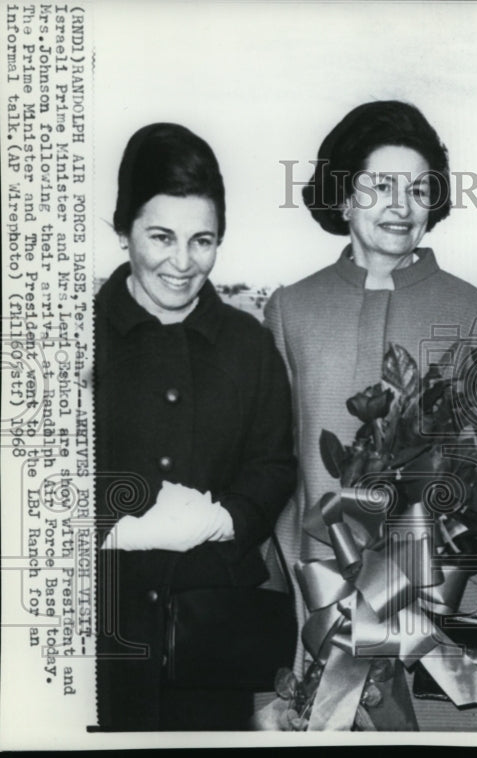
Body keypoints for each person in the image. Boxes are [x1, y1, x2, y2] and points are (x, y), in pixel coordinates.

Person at [264, 100, 477, 731]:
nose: (400, 206)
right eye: (379, 185)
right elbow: (281, 477)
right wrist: (310, 596)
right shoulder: (290, 310)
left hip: (445, 625)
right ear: (343, 195)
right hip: (320, 620)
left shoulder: (475, 312)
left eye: (417, 189)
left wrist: (453, 577)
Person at [94, 123, 297, 730]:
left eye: (202, 241)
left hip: (214, 641)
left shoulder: (250, 345)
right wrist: (117, 529)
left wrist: (226, 518)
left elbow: (273, 465)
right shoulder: (69, 337)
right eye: (161, 237)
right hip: (100, 635)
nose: (182, 264)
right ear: (124, 228)